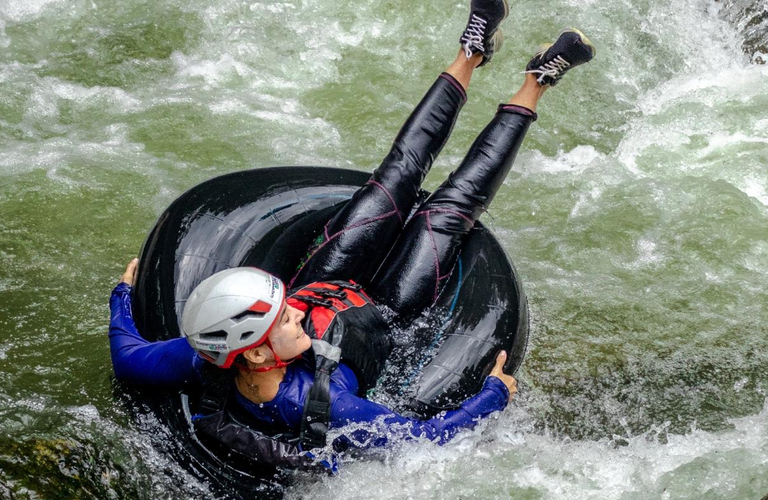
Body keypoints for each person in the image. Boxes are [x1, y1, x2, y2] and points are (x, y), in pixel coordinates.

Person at [110, 0, 595, 454]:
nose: (292, 313)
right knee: (453, 206)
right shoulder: (324, 405)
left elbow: (129, 357)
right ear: (255, 357)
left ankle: (473, 50)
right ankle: (538, 79)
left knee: (398, 173)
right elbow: (420, 437)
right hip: (384, 308)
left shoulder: (201, 357)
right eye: (282, 319)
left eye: (284, 307)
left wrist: (123, 293)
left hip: (327, 277)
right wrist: (492, 395)